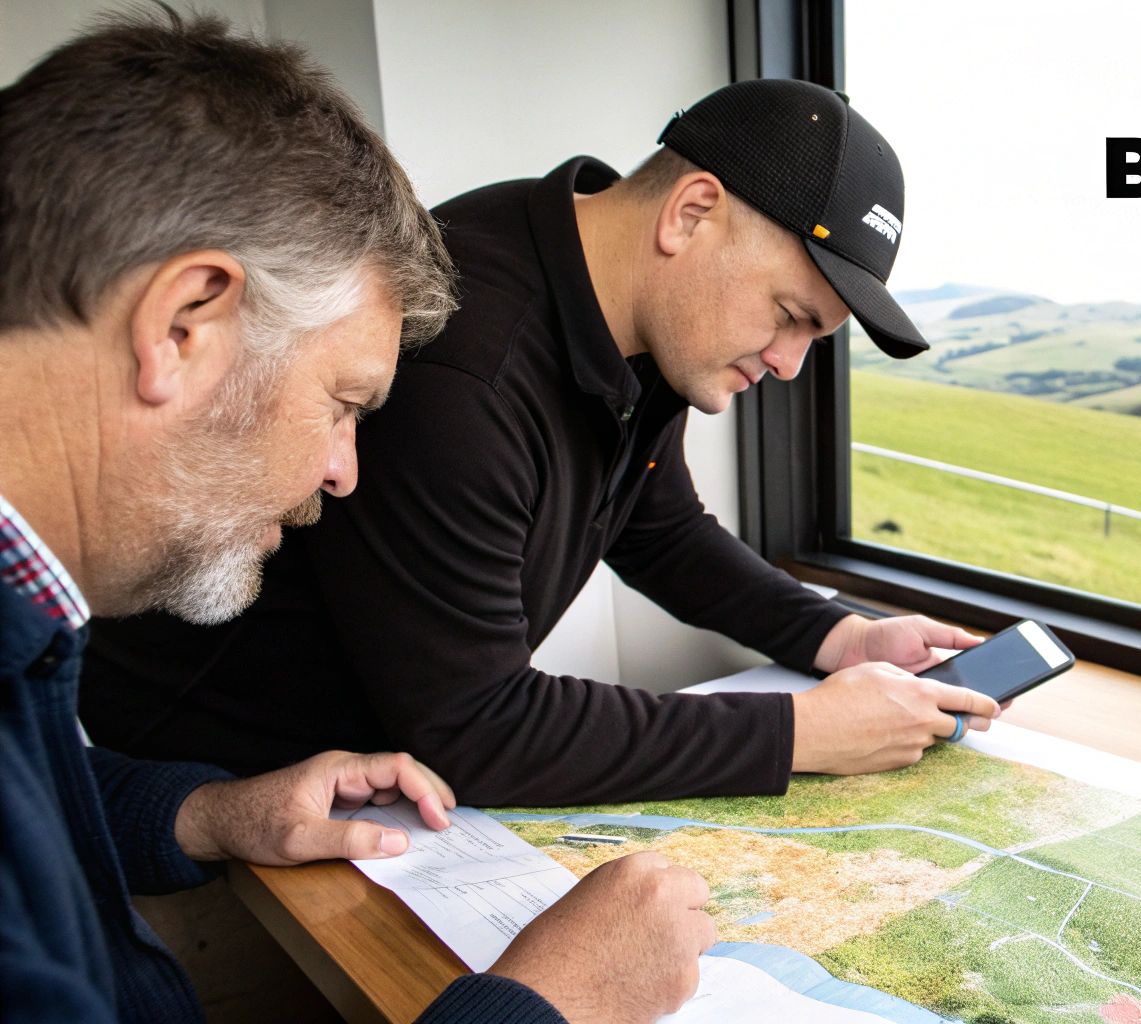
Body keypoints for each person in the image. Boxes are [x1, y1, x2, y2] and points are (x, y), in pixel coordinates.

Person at [1, 12, 713, 1023]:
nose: (342, 473)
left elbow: (39, 794)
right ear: (181, 326)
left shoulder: (26, 608)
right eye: (341, 405)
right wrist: (548, 1001)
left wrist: (204, 813)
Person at [80, 78, 1004, 806]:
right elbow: (479, 728)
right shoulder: (464, 372)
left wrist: (841, 636)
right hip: (215, 780)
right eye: (791, 315)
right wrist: (801, 736)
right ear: (690, 213)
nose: (790, 363)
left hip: (377, 771)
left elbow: (657, 525)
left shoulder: (631, 314)